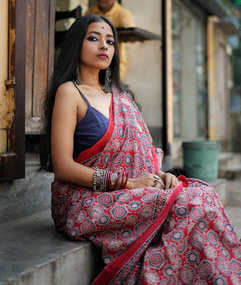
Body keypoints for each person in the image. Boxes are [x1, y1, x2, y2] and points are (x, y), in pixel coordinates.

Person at [43, 14, 241, 285]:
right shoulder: (70, 92)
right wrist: (127, 182)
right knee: (190, 205)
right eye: (93, 38)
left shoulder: (122, 98)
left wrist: (162, 175)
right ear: (77, 44)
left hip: (134, 189)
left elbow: (139, 156)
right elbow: (63, 166)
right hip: (85, 199)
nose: (104, 46)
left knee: (204, 194)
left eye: (110, 41)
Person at [85, 0, 135, 79]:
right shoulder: (89, 13)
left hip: (114, 70)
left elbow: (131, 37)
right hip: (90, 69)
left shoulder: (123, 15)